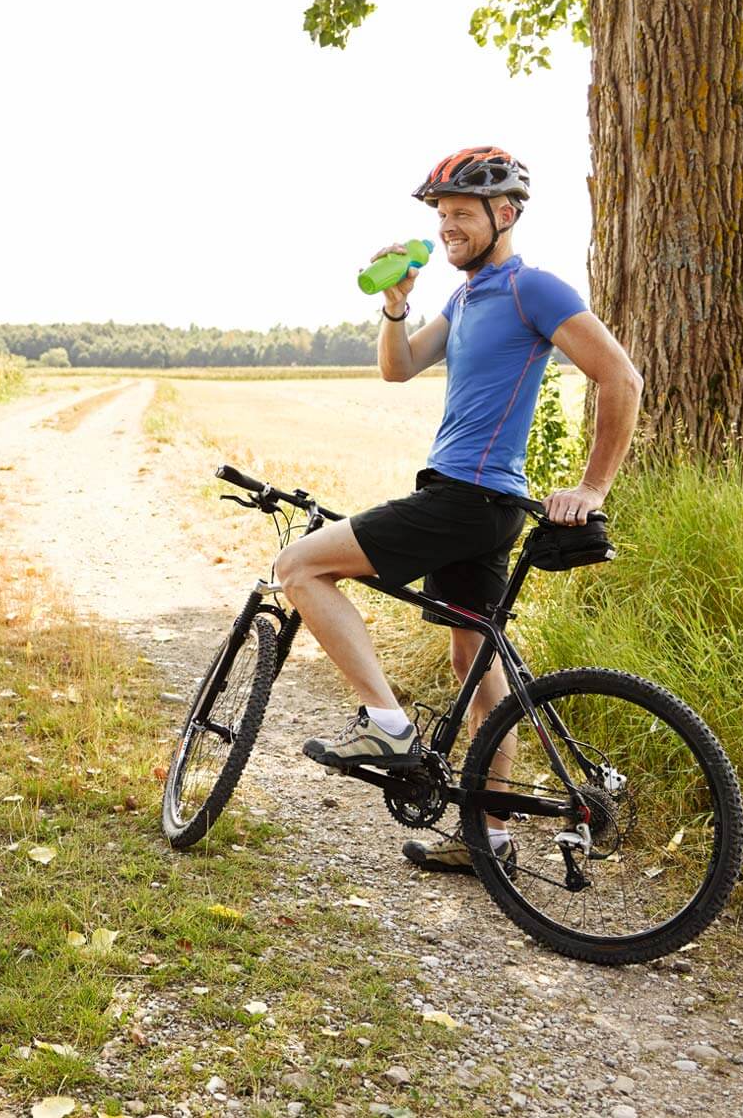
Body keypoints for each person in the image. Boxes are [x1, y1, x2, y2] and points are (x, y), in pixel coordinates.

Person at [275, 146, 643, 872]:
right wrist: (394, 304)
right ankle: (491, 842)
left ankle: (386, 725)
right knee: (477, 668)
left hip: (467, 500)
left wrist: (593, 487)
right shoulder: (465, 297)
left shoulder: (530, 288)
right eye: (441, 216)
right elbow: (399, 367)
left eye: (462, 215)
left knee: (300, 566)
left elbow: (621, 376)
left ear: (505, 214)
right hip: (476, 501)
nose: (448, 228)